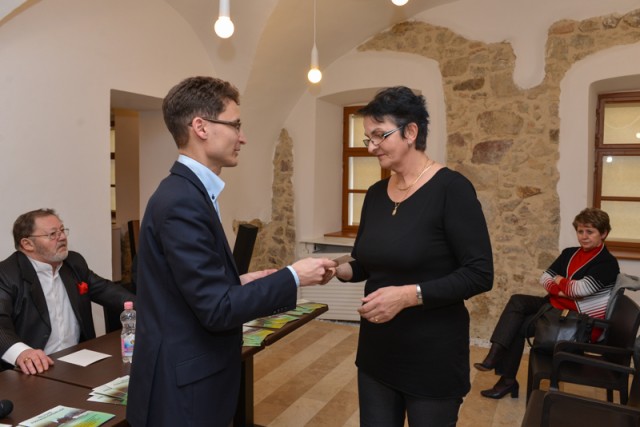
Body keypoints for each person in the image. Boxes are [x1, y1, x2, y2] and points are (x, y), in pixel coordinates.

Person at [126, 76, 336, 427]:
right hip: (184, 392)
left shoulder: (189, 192)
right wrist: (294, 276)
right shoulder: (181, 200)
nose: (242, 137)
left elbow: (184, 287)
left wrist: (238, 281)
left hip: (192, 377)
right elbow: (217, 309)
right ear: (201, 127)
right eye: (235, 125)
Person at [332, 86, 494, 427]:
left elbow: (479, 274)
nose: (371, 147)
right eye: (367, 138)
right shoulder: (376, 194)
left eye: (380, 135)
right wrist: (337, 269)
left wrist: (409, 295)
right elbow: (367, 263)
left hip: (431, 356)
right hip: (376, 353)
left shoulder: (452, 189)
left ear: (411, 132)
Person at [474, 207, 620, 399]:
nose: (583, 236)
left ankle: (505, 377)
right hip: (554, 307)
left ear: (604, 233)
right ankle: (495, 355)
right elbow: (544, 278)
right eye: (580, 231)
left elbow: (579, 290)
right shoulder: (570, 253)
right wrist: (563, 290)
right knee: (517, 301)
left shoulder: (607, 263)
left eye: (590, 232)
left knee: (517, 327)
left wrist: (559, 281)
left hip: (577, 321)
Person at [0, 208, 136, 375]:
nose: (63, 237)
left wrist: (154, 311)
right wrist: (22, 352)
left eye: (62, 230)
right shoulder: (6, 274)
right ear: (27, 244)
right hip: (32, 370)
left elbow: (110, 292)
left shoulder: (73, 262)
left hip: (79, 362)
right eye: (52, 234)